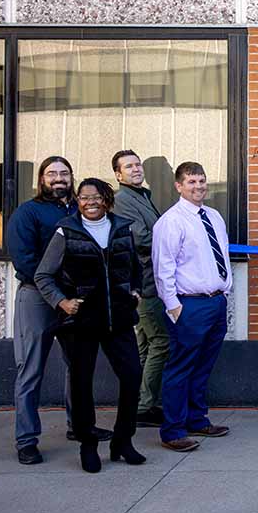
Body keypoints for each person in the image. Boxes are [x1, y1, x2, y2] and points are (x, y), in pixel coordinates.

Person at [34, 178, 145, 473]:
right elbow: (43, 275)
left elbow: (135, 267)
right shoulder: (66, 230)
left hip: (119, 319)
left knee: (133, 377)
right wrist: (62, 302)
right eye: (83, 198)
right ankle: (88, 444)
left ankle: (122, 440)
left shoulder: (122, 227)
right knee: (82, 384)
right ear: (77, 201)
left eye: (96, 197)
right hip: (80, 322)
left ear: (106, 199)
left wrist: (135, 291)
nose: (90, 202)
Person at [7, 156, 111, 465]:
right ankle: (26, 440)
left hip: (75, 303)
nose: (58, 179)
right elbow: (24, 261)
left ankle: (78, 426)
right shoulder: (27, 212)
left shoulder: (78, 212)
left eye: (64, 173)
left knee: (77, 367)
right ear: (41, 179)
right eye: (51, 174)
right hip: (37, 300)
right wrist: (56, 296)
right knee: (31, 370)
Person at [152, 162, 232, 452]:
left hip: (215, 302)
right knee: (180, 368)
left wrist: (225, 293)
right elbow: (163, 268)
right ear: (178, 186)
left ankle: (197, 419)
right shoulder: (171, 221)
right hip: (189, 306)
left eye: (201, 181)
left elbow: (218, 254)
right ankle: (173, 431)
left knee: (203, 367)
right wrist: (174, 308)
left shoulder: (213, 216)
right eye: (191, 182)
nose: (198, 187)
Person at [112, 150, 168, 428]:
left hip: (151, 280)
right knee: (161, 341)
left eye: (137, 165)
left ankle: (140, 403)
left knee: (145, 345)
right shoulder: (122, 200)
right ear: (118, 174)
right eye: (129, 166)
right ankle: (146, 406)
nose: (135, 170)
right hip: (144, 284)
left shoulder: (142, 196)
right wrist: (173, 236)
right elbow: (142, 238)